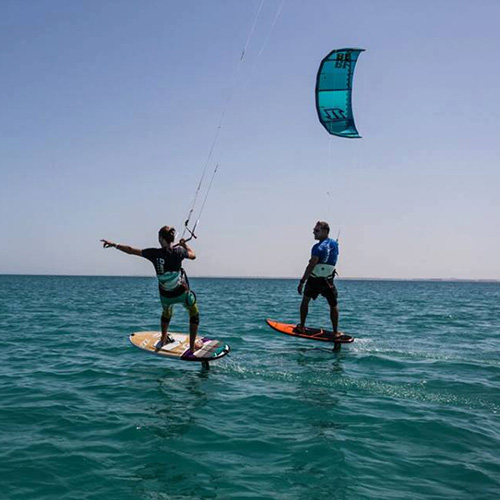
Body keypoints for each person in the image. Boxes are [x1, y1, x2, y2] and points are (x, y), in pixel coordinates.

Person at [101, 226, 202, 352]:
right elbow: (193, 256)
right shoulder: (179, 252)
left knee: (166, 313)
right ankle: (192, 348)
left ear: (160, 238)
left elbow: (131, 250)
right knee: (194, 312)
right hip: (181, 293)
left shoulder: (154, 254)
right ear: (171, 239)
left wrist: (114, 245)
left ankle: (164, 339)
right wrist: (185, 245)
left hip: (165, 296)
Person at [297, 221, 341, 340]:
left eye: (317, 230)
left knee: (306, 300)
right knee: (333, 304)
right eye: (314, 230)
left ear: (325, 231)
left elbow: (311, 265)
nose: (313, 232)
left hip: (315, 280)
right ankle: (335, 332)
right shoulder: (335, 244)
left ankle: (302, 326)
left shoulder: (317, 247)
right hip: (328, 281)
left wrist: (302, 282)